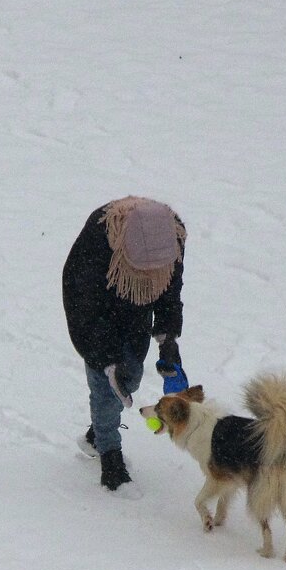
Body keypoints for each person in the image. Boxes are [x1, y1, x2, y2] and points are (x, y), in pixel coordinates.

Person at [62, 196, 189, 492]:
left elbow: (170, 289)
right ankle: (110, 454)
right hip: (96, 305)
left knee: (130, 376)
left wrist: (167, 337)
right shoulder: (97, 239)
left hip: (138, 301)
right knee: (105, 383)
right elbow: (85, 309)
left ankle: (97, 431)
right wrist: (105, 359)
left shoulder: (173, 236)